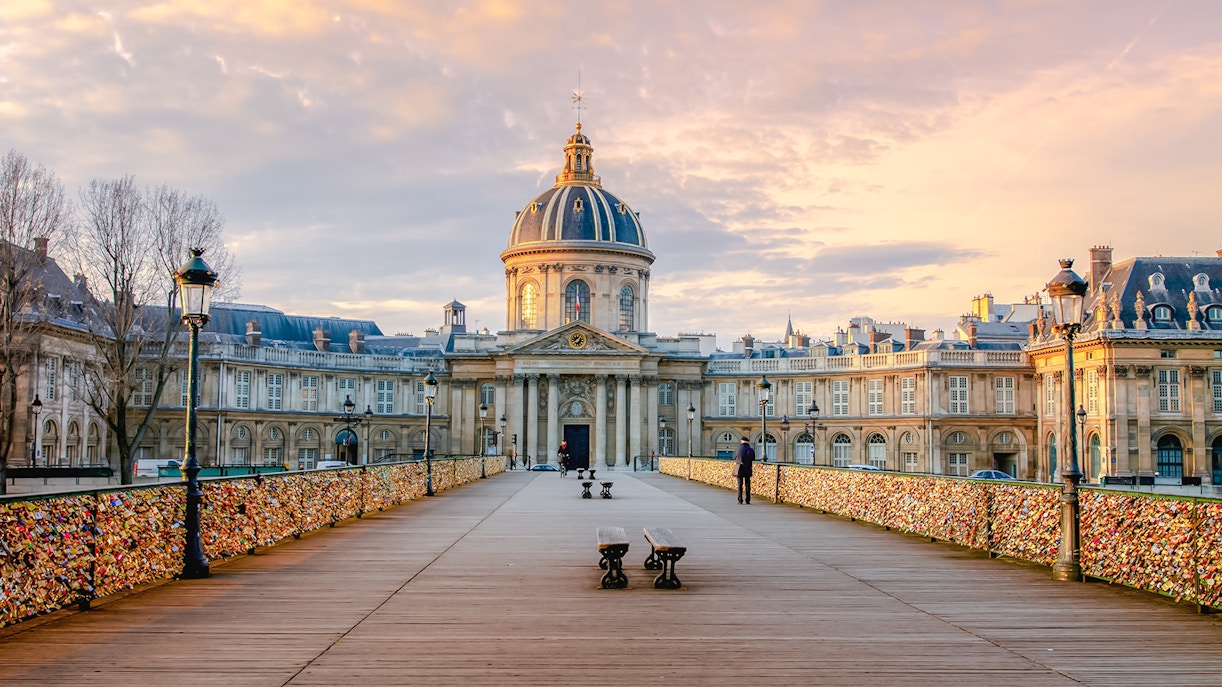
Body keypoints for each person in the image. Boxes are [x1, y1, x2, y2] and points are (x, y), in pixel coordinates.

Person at [732, 437, 755, 504]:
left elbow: (734, 457)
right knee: (747, 484)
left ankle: (740, 500)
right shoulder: (751, 449)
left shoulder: (737, 449)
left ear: (741, 441)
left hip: (739, 468)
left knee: (740, 484)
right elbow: (753, 458)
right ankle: (748, 500)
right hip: (748, 468)